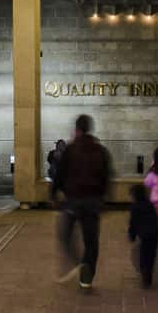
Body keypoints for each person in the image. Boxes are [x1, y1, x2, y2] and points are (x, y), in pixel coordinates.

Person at [52, 114, 112, 289]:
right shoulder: (101, 150)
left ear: (77, 129)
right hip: (93, 202)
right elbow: (107, 176)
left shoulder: (70, 149)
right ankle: (87, 276)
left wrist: (54, 194)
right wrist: (104, 198)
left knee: (66, 235)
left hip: (73, 201)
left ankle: (78, 262)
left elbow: (60, 173)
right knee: (91, 240)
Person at [128, 184, 158, 288]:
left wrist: (132, 235)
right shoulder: (150, 204)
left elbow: (133, 223)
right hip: (154, 234)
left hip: (144, 235)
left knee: (143, 254)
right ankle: (149, 273)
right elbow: (156, 218)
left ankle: (144, 272)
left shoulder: (135, 207)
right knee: (151, 255)